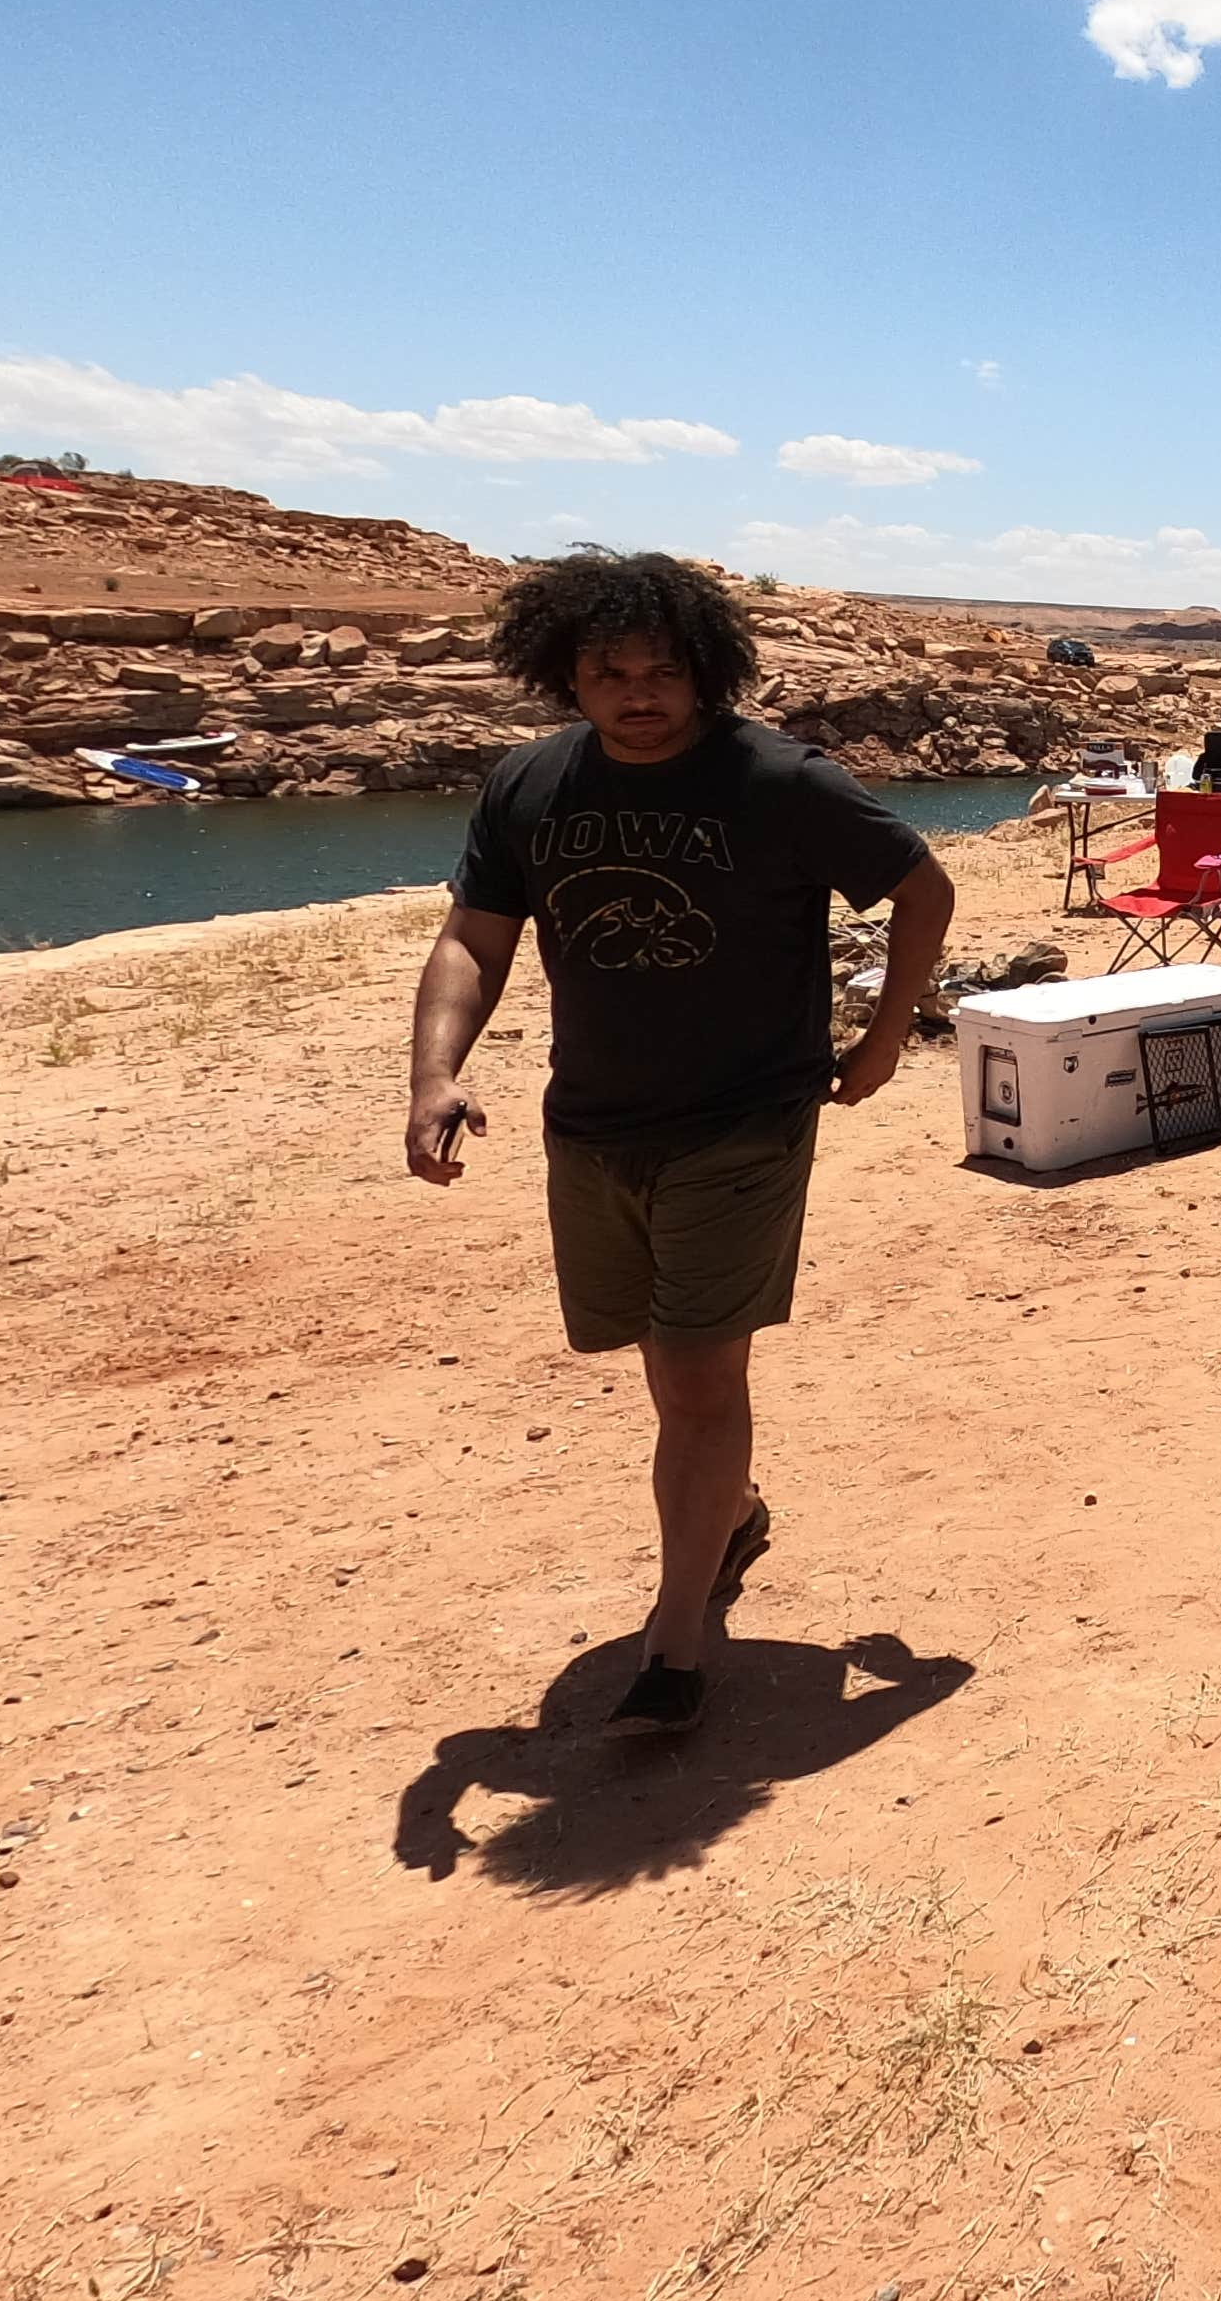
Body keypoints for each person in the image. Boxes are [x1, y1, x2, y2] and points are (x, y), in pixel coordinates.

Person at [404, 549, 954, 1738]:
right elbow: (474, 939)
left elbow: (922, 888)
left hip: (744, 1121)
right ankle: (733, 1512)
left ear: (707, 671)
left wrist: (883, 1039)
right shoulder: (530, 783)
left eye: (662, 671)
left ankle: (674, 1645)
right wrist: (433, 1074)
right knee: (663, 1362)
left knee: (701, 1375)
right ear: (565, 675)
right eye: (609, 672)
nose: (638, 694)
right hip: (592, 1126)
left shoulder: (778, 780)